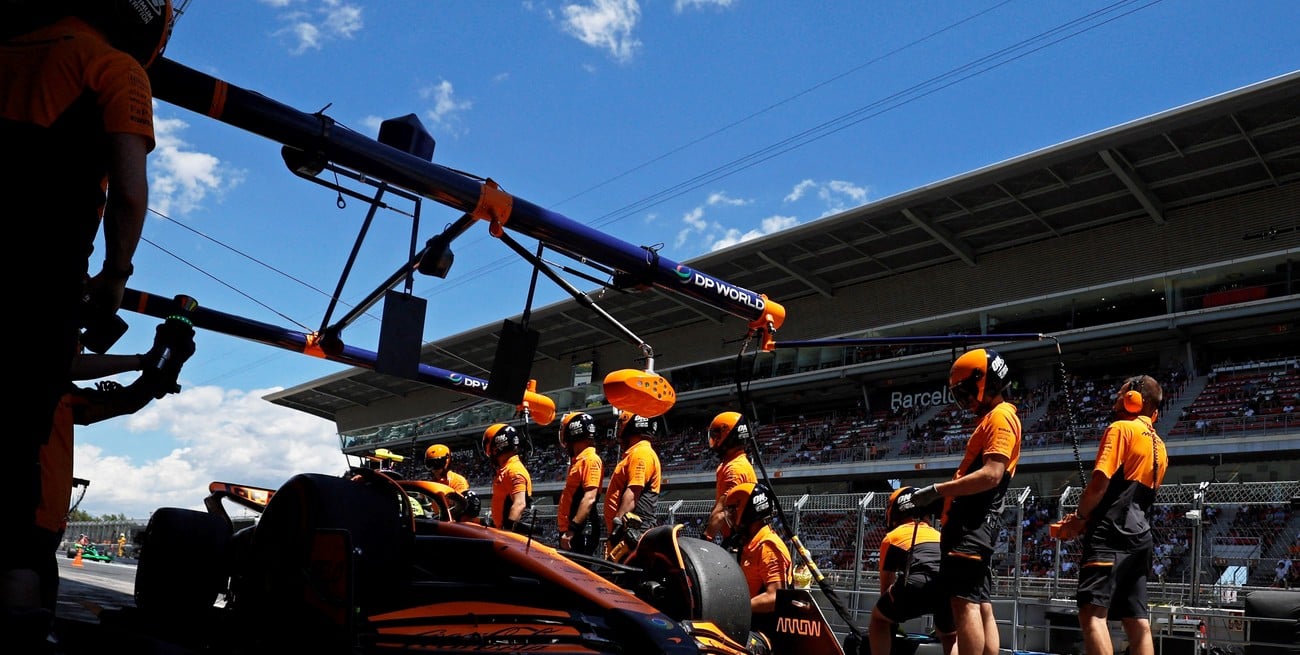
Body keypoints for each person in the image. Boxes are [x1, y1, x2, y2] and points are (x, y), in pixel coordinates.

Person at [2, 0, 179, 627]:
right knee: (14, 541)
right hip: (33, 288)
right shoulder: (115, 67)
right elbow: (130, 193)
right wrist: (112, 278)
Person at [33, 318, 194, 641]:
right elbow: (68, 365)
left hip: (44, 529)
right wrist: (144, 361)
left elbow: (118, 403)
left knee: (37, 604)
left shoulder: (63, 398)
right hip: (23, 528)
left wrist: (157, 373)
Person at [895, 348, 1021, 655]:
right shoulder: (996, 417)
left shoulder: (1000, 418)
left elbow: (991, 475)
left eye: (965, 391)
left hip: (971, 526)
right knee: (980, 605)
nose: (963, 400)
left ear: (986, 382)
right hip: (978, 524)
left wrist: (937, 491)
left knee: (964, 607)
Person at [1055, 374, 1168, 655]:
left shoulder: (1120, 429)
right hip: (1141, 538)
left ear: (1134, 400)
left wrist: (1079, 519)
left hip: (1110, 535)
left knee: (1092, 614)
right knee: (1137, 619)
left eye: (1121, 394)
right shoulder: (1161, 447)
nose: (1117, 399)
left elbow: (1099, 483)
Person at [868, 487, 953, 655]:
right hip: (948, 583)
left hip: (916, 583)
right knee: (950, 636)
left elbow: (886, 587)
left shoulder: (892, 538)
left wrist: (893, 619)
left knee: (878, 619)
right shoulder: (938, 534)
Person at [720, 481, 791, 635]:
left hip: (763, 631)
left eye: (733, 509)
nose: (730, 516)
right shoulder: (749, 543)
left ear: (749, 510)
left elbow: (775, 597)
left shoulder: (768, 547)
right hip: (747, 623)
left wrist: (736, 608)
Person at [604, 411, 663, 555]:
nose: (619, 430)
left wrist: (617, 526)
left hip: (633, 531)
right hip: (629, 529)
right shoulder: (636, 452)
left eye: (622, 423)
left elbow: (632, 493)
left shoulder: (641, 453)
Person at [702, 411, 757, 543]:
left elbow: (721, 513)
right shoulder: (734, 463)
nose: (714, 441)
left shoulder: (734, 469)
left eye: (716, 436)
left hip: (740, 538)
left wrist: (704, 540)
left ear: (728, 437)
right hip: (739, 535)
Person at [556, 412, 603, 555]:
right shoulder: (579, 460)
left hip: (580, 532)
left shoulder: (590, 460)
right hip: (574, 531)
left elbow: (589, 498)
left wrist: (572, 531)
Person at [484, 423, 532, 532]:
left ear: (496, 446)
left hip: (512, 535)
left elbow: (520, 504)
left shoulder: (514, 470)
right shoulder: (508, 469)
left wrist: (507, 534)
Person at [424, 443, 481, 523]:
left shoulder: (457, 480)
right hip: (439, 521)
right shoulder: (431, 483)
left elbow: (462, 507)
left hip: (456, 523)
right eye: (430, 464)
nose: (434, 469)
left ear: (447, 462)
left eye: (438, 464)